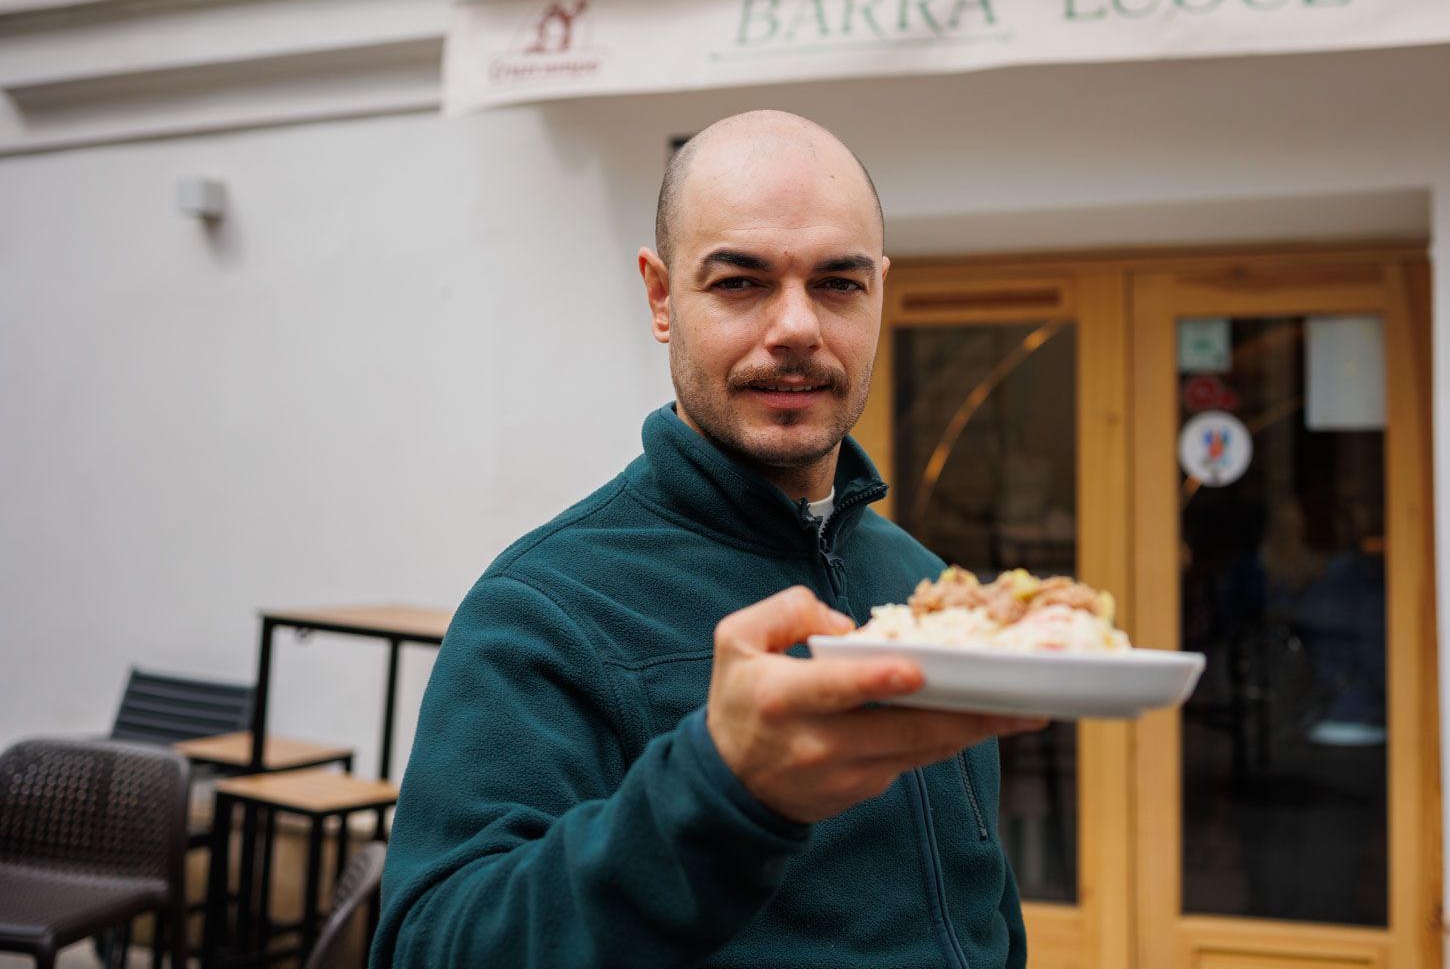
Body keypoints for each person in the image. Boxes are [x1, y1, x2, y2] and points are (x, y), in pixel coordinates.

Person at [371, 110, 1041, 969]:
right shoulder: (541, 612)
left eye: (838, 284)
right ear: (661, 297)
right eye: (740, 282)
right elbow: (431, 947)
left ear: (879, 292)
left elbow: (982, 915)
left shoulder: (926, 588)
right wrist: (721, 791)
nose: (796, 327)